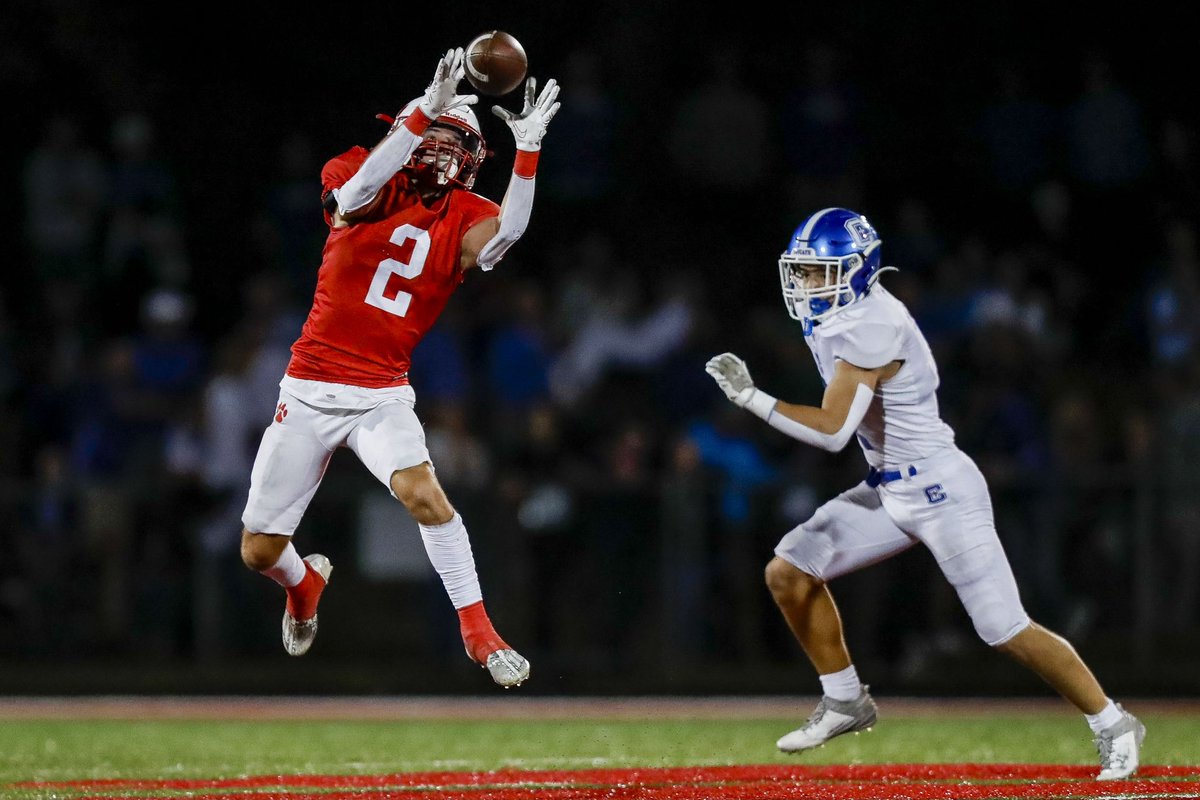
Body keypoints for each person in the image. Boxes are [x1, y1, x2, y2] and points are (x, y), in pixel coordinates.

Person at [704, 207, 1146, 780]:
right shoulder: (842, 314)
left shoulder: (871, 322)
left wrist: (752, 400)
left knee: (1004, 628)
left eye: (821, 272)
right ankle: (845, 700)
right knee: (787, 571)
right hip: (888, 488)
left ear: (858, 270)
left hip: (941, 490)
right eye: (805, 271)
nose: (809, 283)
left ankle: (1113, 723)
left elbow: (834, 431)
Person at [238, 47, 560, 689]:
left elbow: (508, 235)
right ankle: (304, 588)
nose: (443, 149)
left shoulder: (465, 213)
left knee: (424, 494)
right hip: (307, 388)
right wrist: (419, 117)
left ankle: (480, 635)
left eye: (456, 141)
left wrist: (525, 156)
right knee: (259, 551)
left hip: (381, 392)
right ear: (410, 130)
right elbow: (354, 195)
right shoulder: (361, 169)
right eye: (436, 132)